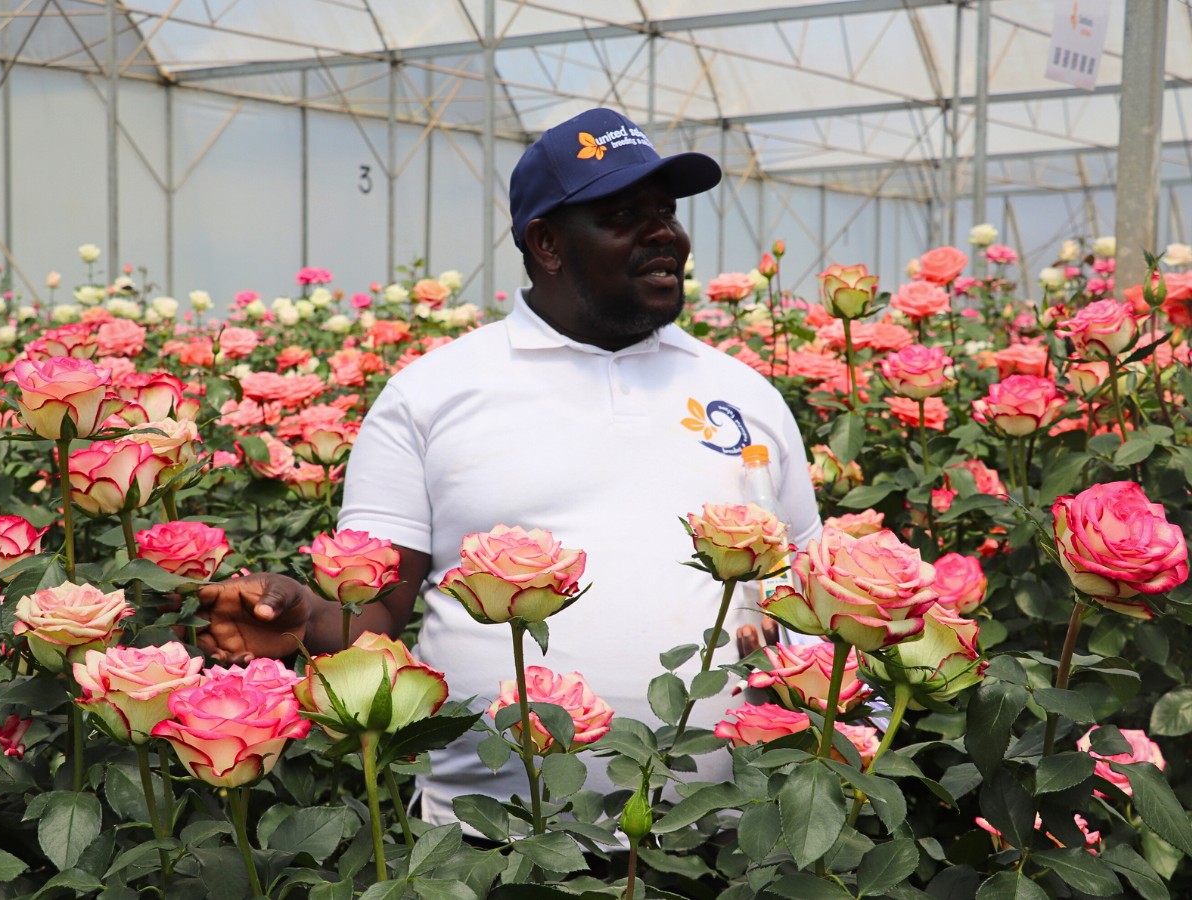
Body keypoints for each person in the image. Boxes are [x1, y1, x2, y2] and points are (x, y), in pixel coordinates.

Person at [197, 107, 822, 824]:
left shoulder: (746, 394)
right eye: (624, 213)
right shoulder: (432, 396)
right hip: (491, 848)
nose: (665, 234)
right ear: (547, 243)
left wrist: (793, 646)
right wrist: (304, 616)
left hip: (730, 847)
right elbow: (376, 615)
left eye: (666, 211)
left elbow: (811, 593)